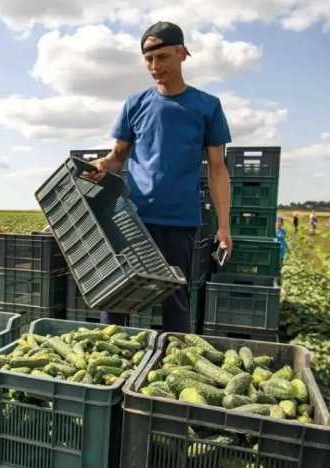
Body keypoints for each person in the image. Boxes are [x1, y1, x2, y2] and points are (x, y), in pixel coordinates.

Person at [90, 21, 232, 332]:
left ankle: (172, 365)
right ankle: (113, 361)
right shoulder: (135, 104)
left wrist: (223, 225)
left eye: (163, 57)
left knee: (176, 300)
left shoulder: (207, 106)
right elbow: (117, 157)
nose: (155, 66)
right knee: (117, 297)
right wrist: (102, 164)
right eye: (149, 59)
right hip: (133, 217)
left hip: (179, 221)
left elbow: (218, 170)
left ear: (182, 54)